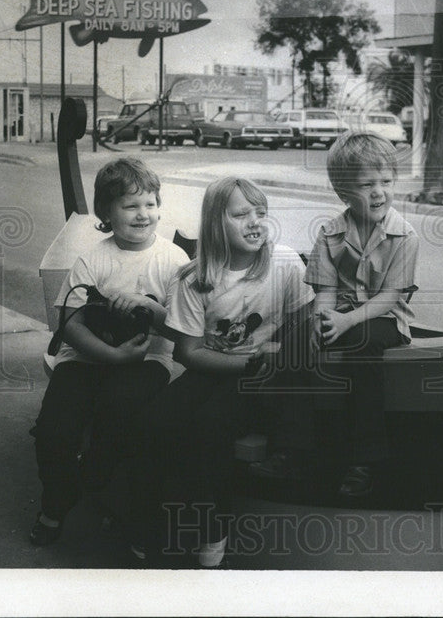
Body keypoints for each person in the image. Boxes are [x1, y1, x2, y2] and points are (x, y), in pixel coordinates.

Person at [130, 176, 313, 567]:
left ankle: (214, 531)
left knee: (209, 427)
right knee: (151, 423)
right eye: (241, 214)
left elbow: (304, 322)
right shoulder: (194, 279)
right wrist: (250, 360)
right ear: (216, 222)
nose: (254, 222)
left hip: (261, 379)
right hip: (216, 367)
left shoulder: (284, 264)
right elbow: (190, 352)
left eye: (260, 213)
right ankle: (152, 525)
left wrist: (280, 356)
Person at [30, 157, 189, 546]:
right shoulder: (93, 259)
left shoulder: (174, 260)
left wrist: (149, 308)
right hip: (86, 358)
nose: (143, 214)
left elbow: (186, 329)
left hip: (151, 357)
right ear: (106, 211)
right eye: (130, 205)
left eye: (150, 204)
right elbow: (69, 324)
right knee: (53, 428)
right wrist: (112, 356)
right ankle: (57, 501)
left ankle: (98, 475)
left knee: (120, 410)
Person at [249, 131, 419, 497]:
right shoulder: (331, 233)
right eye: (366, 184)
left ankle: (365, 459)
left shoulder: (403, 235)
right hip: (340, 310)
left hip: (385, 320)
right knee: (297, 337)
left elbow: (390, 298)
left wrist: (345, 321)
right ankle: (292, 449)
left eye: (386, 181)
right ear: (343, 192)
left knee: (360, 343)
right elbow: (325, 292)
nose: (379, 191)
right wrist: (320, 322)